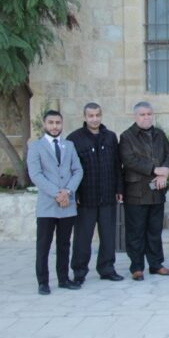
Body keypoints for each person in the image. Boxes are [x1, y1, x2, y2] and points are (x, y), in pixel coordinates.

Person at [28, 110, 83, 295]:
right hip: (47, 205)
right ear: (45, 124)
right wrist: (56, 193)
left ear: (62, 124)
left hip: (67, 204)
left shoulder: (69, 145)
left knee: (64, 244)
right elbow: (36, 174)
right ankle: (43, 282)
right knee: (43, 245)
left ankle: (64, 278)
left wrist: (67, 191)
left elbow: (78, 170)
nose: (54, 126)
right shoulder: (36, 146)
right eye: (51, 122)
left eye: (58, 122)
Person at [67, 103, 123, 285]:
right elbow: (69, 169)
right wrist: (74, 194)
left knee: (108, 236)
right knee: (83, 238)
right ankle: (79, 272)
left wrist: (119, 189)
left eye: (97, 115)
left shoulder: (110, 137)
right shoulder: (74, 138)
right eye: (90, 116)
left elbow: (117, 165)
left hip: (107, 195)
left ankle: (107, 269)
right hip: (85, 198)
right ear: (84, 117)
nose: (94, 119)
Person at [119, 102, 169, 281]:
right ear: (135, 116)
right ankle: (136, 267)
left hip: (157, 191)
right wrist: (154, 169)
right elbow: (129, 160)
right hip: (136, 192)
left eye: (149, 114)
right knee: (136, 231)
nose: (146, 117)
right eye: (142, 114)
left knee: (155, 230)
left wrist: (165, 171)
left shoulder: (159, 134)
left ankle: (156, 264)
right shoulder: (127, 136)